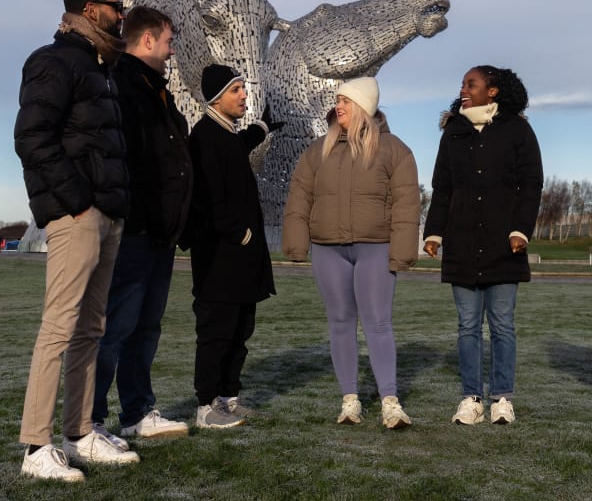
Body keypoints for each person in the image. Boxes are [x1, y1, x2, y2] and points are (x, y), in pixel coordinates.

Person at [14, 0, 138, 482]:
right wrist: (78, 204)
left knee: (91, 327)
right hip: (78, 215)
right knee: (60, 326)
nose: (121, 15)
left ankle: (79, 432)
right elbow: (31, 138)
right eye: (117, 6)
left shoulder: (99, 66)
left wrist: (107, 206)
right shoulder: (53, 62)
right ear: (91, 9)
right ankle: (35, 446)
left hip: (107, 213)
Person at [282, 77, 420, 430]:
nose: (338, 106)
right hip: (328, 249)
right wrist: (297, 243)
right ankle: (350, 401)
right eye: (337, 100)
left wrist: (402, 251)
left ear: (363, 106)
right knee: (340, 323)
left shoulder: (394, 149)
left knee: (377, 322)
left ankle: (390, 401)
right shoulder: (319, 150)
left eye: (345, 100)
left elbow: (407, 204)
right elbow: (299, 198)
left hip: (375, 248)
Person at [91, 6, 193, 447]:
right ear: (148, 40)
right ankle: (89, 419)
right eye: (168, 42)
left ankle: (135, 412)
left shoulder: (157, 91)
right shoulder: (123, 85)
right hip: (134, 230)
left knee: (146, 327)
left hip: (159, 233)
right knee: (114, 328)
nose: (171, 52)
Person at [422, 66, 543, 426]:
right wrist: (434, 233)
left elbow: (532, 183)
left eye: (470, 84)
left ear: (492, 91)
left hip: (505, 246)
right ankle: (471, 398)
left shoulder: (518, 129)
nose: (463, 89)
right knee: (468, 327)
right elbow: (441, 187)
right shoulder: (453, 132)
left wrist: (521, 230)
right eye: (462, 84)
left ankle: (502, 398)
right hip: (461, 243)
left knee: (503, 325)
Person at [184, 64, 279, 429]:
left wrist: (262, 128)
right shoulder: (204, 136)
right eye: (236, 89)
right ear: (216, 97)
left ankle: (228, 398)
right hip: (219, 259)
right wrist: (237, 232)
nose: (244, 96)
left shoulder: (224, 135)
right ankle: (206, 406)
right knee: (216, 332)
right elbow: (207, 199)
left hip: (241, 259)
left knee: (240, 330)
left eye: (243, 88)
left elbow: (239, 145)